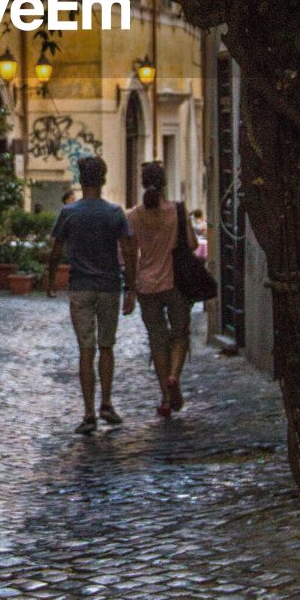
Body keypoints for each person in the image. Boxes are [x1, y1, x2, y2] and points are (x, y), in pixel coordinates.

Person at [47, 156, 137, 434]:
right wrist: (131, 288)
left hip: (80, 288)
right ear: (103, 179)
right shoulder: (114, 213)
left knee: (86, 350)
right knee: (106, 346)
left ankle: (88, 413)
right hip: (109, 287)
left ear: (80, 179)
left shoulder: (69, 213)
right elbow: (129, 251)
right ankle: (107, 404)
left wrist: (50, 279)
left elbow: (55, 250)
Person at [127, 162, 198, 418]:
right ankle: (173, 376)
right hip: (174, 284)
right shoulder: (177, 211)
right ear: (164, 182)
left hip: (146, 285)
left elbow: (129, 254)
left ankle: (166, 399)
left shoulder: (133, 215)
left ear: (143, 183)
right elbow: (191, 244)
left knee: (157, 341)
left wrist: (130, 289)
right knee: (179, 334)